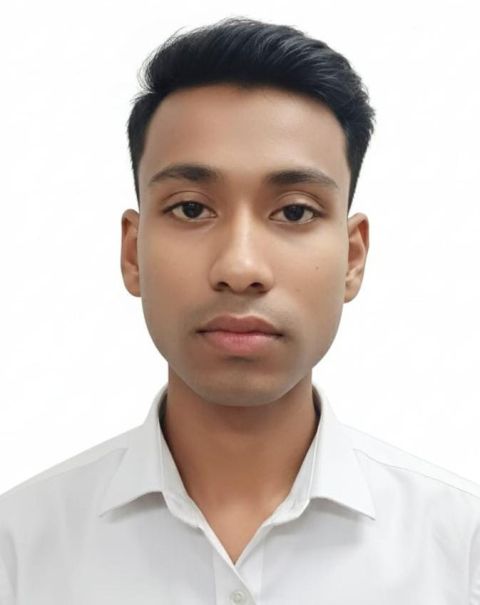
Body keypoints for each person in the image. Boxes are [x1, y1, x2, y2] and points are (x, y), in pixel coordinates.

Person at [1, 16, 479, 604]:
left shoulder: (461, 551)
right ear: (132, 252)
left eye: (295, 211)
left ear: (353, 258)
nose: (240, 266)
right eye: (191, 209)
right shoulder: (18, 551)